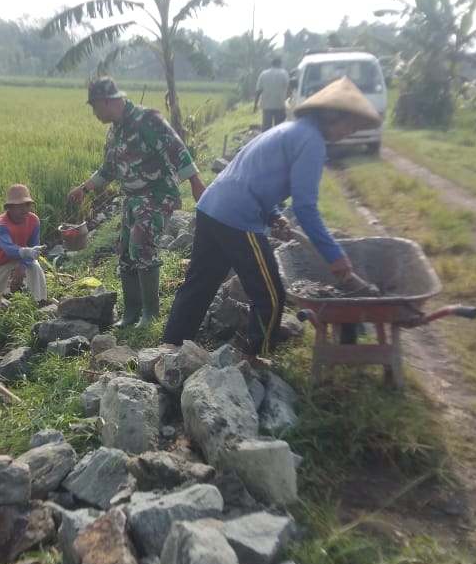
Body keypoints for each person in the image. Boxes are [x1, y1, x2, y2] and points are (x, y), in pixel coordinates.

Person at [162, 76, 381, 365]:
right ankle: (253, 358)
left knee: (200, 283)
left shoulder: (290, 130)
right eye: (349, 125)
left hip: (211, 207)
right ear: (332, 115)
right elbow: (306, 208)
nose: (349, 132)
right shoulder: (312, 141)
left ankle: (171, 345)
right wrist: (335, 255)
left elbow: (255, 178)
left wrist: (274, 215)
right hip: (236, 218)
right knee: (271, 296)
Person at [68, 76, 207, 329]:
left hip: (157, 194)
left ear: (108, 102)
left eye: (95, 106)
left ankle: (150, 314)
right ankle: (131, 311)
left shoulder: (147, 120)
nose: (95, 113)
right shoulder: (114, 132)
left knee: (141, 242)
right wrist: (84, 188)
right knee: (125, 251)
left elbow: (177, 149)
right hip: (132, 200)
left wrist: (196, 183)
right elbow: (109, 168)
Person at [0, 183, 49, 321]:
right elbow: (9, 248)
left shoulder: (33, 220)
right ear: (9, 208)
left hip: (21, 255)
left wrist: (22, 266)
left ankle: (41, 303)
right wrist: (27, 252)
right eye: (20, 206)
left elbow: (34, 245)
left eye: (27, 205)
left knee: (35, 267)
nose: (25, 210)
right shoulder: (0, 225)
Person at [254, 57, 291, 132]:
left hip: (267, 106)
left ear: (272, 64)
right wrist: (289, 100)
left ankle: (266, 142)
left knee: (266, 129)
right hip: (279, 105)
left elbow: (258, 91)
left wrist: (255, 104)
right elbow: (289, 89)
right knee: (280, 128)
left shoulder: (263, 74)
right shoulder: (284, 73)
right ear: (280, 64)